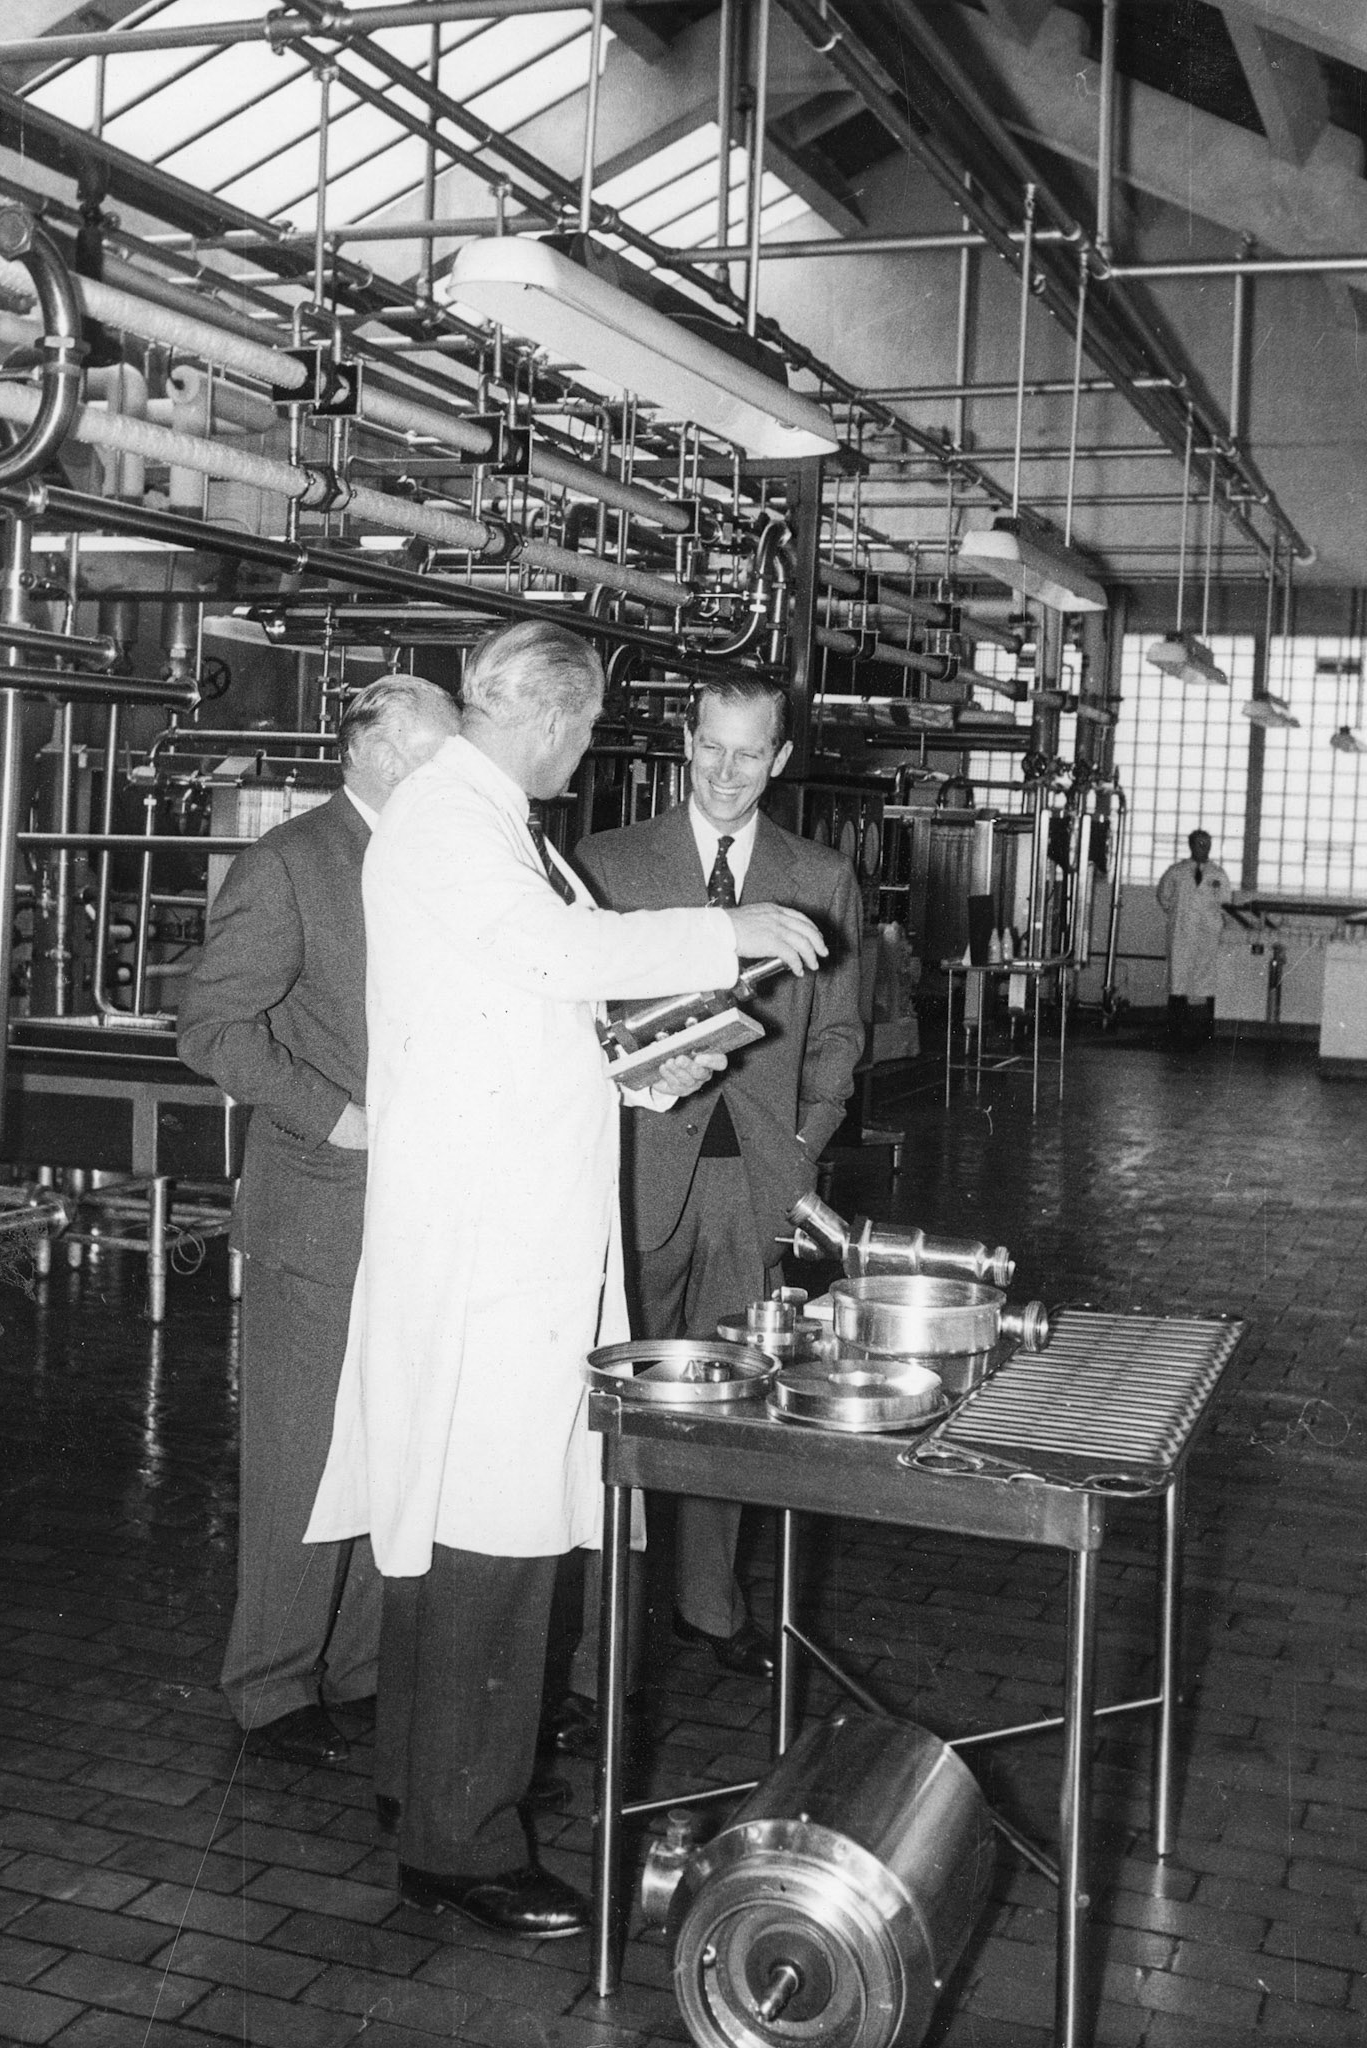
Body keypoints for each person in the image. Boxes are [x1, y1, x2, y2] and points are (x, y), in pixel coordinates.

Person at [304, 619, 825, 1939]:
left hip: (512, 1231)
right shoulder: (449, 823)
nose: (591, 747)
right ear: (538, 713)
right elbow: (554, 959)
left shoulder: (499, 826)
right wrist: (728, 931)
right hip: (491, 1249)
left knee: (460, 1529)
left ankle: (421, 1794)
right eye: (587, 726)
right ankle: (461, 1846)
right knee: (494, 1540)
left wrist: (654, 1062)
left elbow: (556, 1007)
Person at [558, 676, 863, 1740]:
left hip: (755, 1175)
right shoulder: (608, 863)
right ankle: (605, 1648)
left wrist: (801, 1159)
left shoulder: (819, 876)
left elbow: (836, 1041)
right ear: (683, 742)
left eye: (749, 755)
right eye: (709, 750)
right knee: (631, 1400)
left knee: (735, 1389)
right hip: (636, 1158)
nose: (726, 774)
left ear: (778, 758)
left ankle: (708, 1602)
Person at [176, 676, 459, 1767]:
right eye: (440, 751)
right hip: (319, 1209)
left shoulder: (439, 859)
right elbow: (210, 1026)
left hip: (419, 1208)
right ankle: (271, 1687)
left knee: (383, 1450)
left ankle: (356, 1672)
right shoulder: (289, 862)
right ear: (383, 752)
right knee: (301, 1457)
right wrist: (333, 1114)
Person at [1156, 827, 1231, 1048]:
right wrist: (1179, 914)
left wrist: (1213, 921)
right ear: (1191, 845)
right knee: (1178, 980)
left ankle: (1205, 1032)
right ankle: (1175, 1032)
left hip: (1207, 934)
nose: (1204, 848)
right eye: (1199, 844)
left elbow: (1225, 902)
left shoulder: (1218, 874)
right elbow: (1163, 896)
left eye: (1207, 844)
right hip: (1181, 932)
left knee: (1206, 980)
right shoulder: (1176, 872)